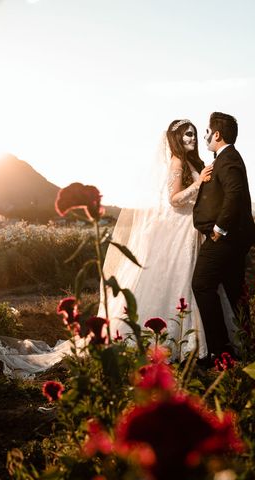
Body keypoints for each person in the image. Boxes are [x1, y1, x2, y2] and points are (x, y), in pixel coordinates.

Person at [99, 118, 237, 362]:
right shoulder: (177, 162)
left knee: (197, 281)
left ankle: (201, 341)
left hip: (193, 227)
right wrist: (198, 182)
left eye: (194, 134)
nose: (192, 139)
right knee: (180, 279)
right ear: (175, 139)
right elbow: (174, 199)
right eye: (187, 135)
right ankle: (181, 342)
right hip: (179, 227)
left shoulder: (193, 162)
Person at [192, 112, 255, 367]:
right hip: (234, 239)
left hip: (226, 239)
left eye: (207, 132)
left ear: (217, 134)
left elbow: (235, 194)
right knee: (234, 291)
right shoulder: (226, 158)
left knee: (202, 284)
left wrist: (219, 228)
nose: (205, 136)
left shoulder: (228, 159)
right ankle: (247, 345)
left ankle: (219, 351)